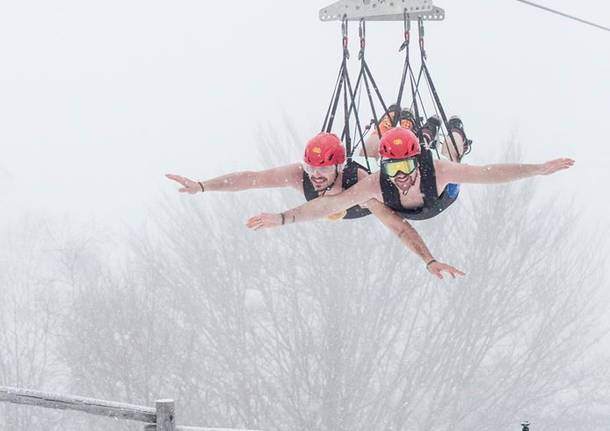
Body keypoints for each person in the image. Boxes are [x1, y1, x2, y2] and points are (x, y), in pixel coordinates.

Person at [167, 132, 464, 279]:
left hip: (413, 188)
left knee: (434, 147)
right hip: (373, 157)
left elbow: (398, 227)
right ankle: (394, 125)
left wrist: (428, 259)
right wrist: (203, 186)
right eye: (311, 170)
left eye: (322, 171)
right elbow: (251, 179)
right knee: (374, 135)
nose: (316, 177)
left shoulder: (360, 185)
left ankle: (449, 132)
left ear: (338, 166)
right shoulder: (301, 176)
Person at [246, 127, 574, 229]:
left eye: (405, 168)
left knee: (453, 154)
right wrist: (283, 218)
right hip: (403, 206)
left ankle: (452, 130)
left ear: (418, 162)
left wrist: (536, 169)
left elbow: (487, 175)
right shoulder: (377, 182)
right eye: (392, 168)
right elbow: (329, 204)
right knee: (369, 143)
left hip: (437, 201)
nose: (399, 176)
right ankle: (414, 126)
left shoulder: (438, 170)